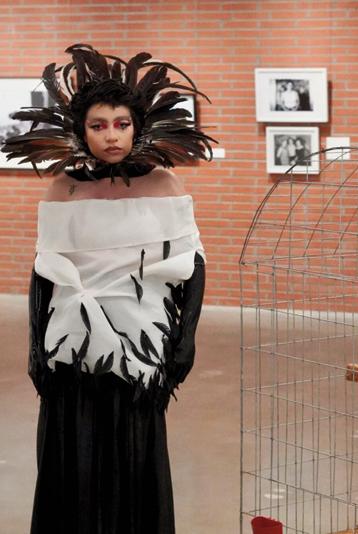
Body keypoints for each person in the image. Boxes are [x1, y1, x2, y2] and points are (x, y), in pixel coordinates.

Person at [2, 43, 215, 534]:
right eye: (98, 125)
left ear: (138, 127)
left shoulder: (164, 186)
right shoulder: (63, 189)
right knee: (71, 453)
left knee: (133, 454)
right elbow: (44, 271)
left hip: (140, 345)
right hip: (70, 345)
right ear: (81, 130)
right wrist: (34, 347)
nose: (111, 135)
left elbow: (192, 264)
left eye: (121, 124)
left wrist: (186, 339)